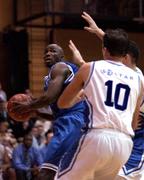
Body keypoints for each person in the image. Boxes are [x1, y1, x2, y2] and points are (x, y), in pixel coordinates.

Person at [57, 28, 143, 180]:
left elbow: (63, 103)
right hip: (124, 144)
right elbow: (135, 124)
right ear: (125, 54)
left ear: (104, 50)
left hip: (96, 137)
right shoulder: (138, 79)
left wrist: (79, 97)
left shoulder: (89, 67)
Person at [80, 12, 144, 179]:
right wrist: (98, 32)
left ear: (126, 57)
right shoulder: (131, 75)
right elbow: (116, 48)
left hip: (137, 142)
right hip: (123, 140)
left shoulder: (137, 78)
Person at [11, 44, 89, 180]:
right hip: (77, 123)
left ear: (61, 56)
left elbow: (48, 98)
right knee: (68, 174)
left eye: (53, 51)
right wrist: (37, 113)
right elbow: (58, 111)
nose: (48, 53)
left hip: (71, 122)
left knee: (46, 173)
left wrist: (29, 105)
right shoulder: (51, 77)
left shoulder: (60, 67)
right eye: (45, 51)